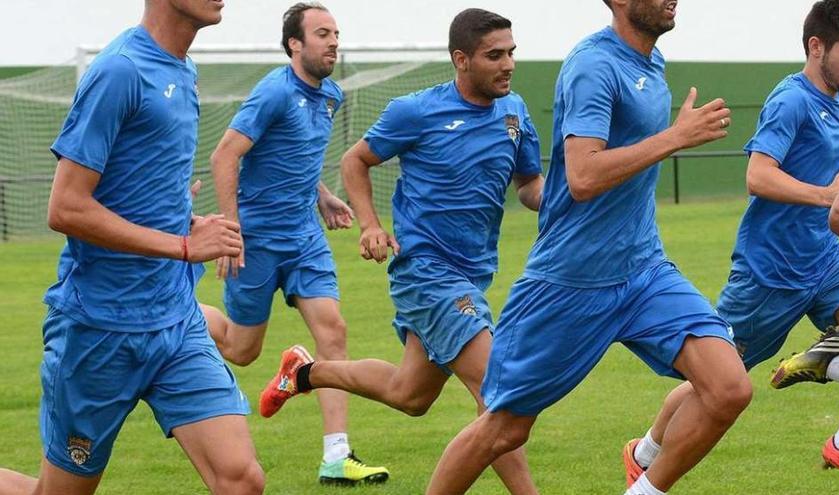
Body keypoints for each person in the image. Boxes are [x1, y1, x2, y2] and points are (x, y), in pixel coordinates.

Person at [425, 1, 753, 494]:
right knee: (504, 429)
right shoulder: (593, 65)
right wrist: (675, 137)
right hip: (570, 280)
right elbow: (582, 176)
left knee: (729, 388)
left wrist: (671, 137)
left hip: (643, 270)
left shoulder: (650, 63)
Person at [256, 8, 544, 494]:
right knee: (498, 393)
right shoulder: (417, 111)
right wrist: (370, 224)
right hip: (427, 273)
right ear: (461, 60)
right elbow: (356, 159)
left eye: (511, 52)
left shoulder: (514, 111)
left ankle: (304, 373)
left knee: (409, 395)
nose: (508, 63)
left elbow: (530, 184)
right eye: (494, 55)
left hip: (472, 275)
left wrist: (572, 201)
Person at [0, 1, 265, 494]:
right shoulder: (120, 70)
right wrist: (185, 244)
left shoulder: (184, 70)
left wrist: (185, 220)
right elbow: (66, 208)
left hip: (175, 320)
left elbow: (132, 190)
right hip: (100, 329)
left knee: (241, 480)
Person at [629, 1, 839, 492]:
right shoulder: (791, 99)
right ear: (816, 47)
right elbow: (758, 176)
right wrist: (826, 194)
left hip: (825, 262)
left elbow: (820, 180)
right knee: (718, 380)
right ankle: (645, 451)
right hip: (770, 274)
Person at [197, 2, 387, 485]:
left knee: (333, 328)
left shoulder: (332, 96)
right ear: (295, 44)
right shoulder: (273, 93)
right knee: (242, 350)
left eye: (336, 34)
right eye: (322, 34)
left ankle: (336, 456)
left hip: (304, 237)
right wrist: (231, 232)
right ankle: (177, 310)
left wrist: (322, 196)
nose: (333, 42)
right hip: (256, 240)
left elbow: (298, 155)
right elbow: (225, 156)